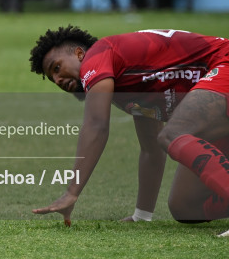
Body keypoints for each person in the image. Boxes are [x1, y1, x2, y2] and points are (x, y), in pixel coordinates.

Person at [29, 26, 229, 233]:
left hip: (225, 61)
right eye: (52, 79)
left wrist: (71, 192)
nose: (57, 80)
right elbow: (151, 150)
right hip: (220, 105)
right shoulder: (128, 83)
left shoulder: (97, 55)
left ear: (79, 54)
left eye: (56, 68)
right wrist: (142, 215)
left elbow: (96, 125)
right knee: (185, 207)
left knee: (173, 134)